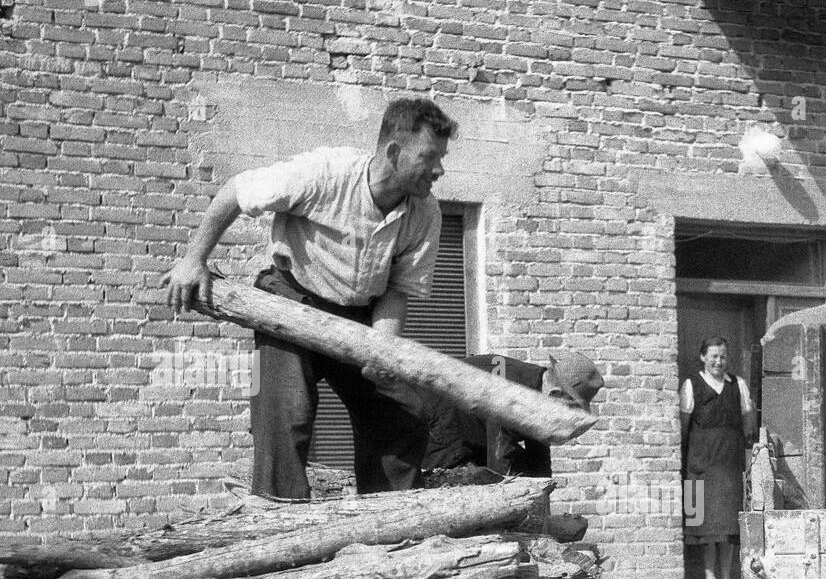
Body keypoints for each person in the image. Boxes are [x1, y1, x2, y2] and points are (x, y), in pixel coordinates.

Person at [164, 97, 457, 501]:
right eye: (430, 157)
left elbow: (398, 288)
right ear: (393, 151)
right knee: (285, 416)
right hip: (291, 302)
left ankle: (389, 517)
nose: (440, 169)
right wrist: (194, 259)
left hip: (358, 316)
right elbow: (236, 191)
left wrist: (381, 348)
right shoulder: (324, 174)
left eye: (442, 157)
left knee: (403, 415)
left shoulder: (425, 214)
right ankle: (281, 521)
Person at [421, 351, 604, 479]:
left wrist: (543, 491)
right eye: (569, 408)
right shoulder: (515, 393)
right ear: (555, 394)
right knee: (447, 487)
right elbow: (500, 456)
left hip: (470, 430)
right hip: (442, 423)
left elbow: (538, 454)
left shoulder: (537, 387)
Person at [680, 337, 757, 579]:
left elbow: (749, 423)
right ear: (703, 357)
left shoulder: (739, 385)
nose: (718, 362)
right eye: (713, 356)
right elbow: (683, 426)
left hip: (729, 466)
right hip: (698, 466)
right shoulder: (691, 385)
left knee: (728, 528)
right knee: (700, 525)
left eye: (723, 357)